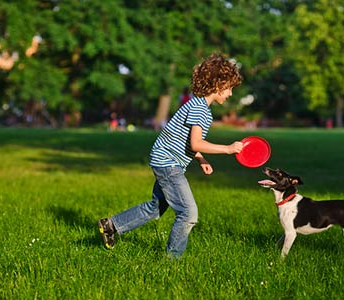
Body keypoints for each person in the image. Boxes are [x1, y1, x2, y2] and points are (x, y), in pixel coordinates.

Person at [98, 53, 243, 258]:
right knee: (188, 213)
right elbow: (196, 142)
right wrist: (228, 149)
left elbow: (184, 140)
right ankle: (172, 259)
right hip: (168, 164)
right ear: (218, 85)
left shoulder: (196, 104)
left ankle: (111, 225)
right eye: (229, 88)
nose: (229, 94)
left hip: (164, 159)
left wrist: (200, 158)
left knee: (155, 208)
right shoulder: (201, 110)